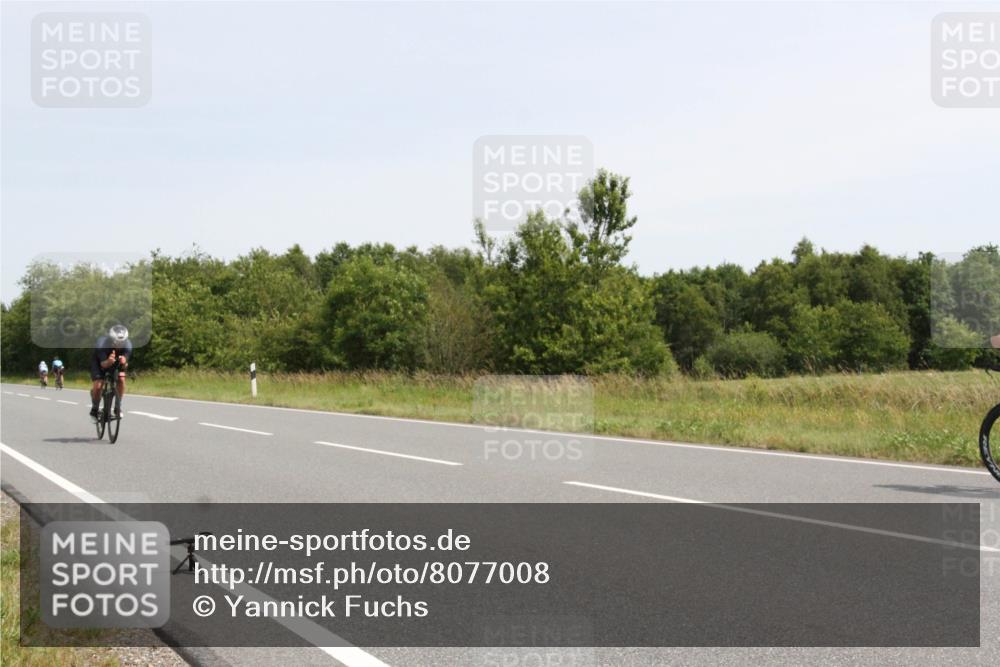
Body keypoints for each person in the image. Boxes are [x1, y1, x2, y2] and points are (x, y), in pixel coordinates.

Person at [90, 325, 132, 420]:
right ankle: (95, 408)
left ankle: (117, 408)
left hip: (115, 360)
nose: (120, 345)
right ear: (111, 339)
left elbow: (125, 363)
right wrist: (108, 361)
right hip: (100, 362)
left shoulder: (128, 345)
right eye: (117, 343)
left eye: (122, 343)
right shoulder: (102, 345)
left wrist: (124, 362)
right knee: (98, 385)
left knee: (121, 379)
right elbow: (103, 365)